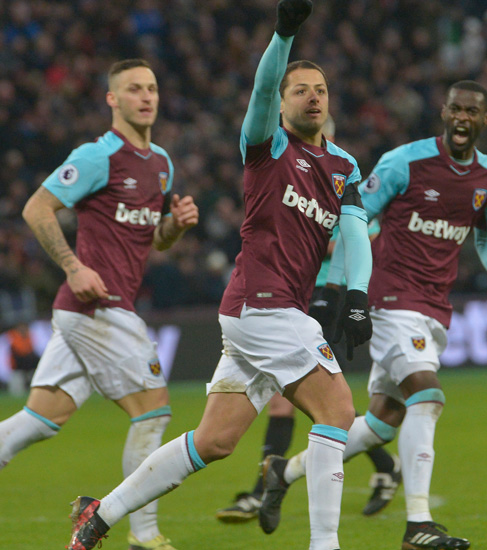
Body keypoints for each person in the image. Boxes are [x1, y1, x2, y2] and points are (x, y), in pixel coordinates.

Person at [66, 2, 375, 549]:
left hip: (266, 315)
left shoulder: (345, 165)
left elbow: (352, 231)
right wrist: (283, 35)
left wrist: (355, 295)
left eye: (320, 89)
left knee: (214, 441)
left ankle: (100, 511)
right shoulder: (269, 146)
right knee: (339, 411)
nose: (312, 95)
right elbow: (259, 93)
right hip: (263, 306)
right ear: (281, 102)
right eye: (299, 88)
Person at [258, 80, 487, 550]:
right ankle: (419, 525)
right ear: (443, 111)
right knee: (429, 397)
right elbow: (353, 222)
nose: (461, 118)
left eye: (471, 112)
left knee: (379, 425)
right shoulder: (404, 163)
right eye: (454, 108)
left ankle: (283, 471)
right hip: (390, 302)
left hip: (435, 309)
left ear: (485, 120)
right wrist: (334, 291)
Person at [0, 58, 199, 550]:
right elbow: (37, 208)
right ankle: (143, 535)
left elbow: (154, 241)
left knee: (39, 420)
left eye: (152, 87)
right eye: (134, 89)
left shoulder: (161, 163)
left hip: (98, 308)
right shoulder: (96, 156)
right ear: (113, 99)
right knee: (153, 410)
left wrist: (174, 226)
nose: (146, 96)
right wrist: (71, 265)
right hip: (96, 305)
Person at [215, 117, 400, 522]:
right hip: (290, 300)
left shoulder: (342, 180)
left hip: (322, 300)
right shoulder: (286, 167)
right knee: (312, 405)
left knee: (324, 406)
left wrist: (334, 294)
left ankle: (269, 486)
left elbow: (353, 241)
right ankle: (377, 466)